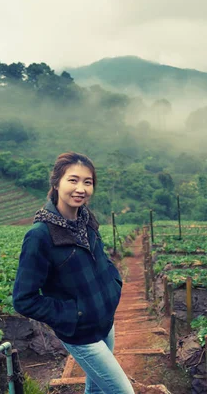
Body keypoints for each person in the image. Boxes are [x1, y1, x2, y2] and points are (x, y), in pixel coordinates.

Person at [13, 152, 134, 394]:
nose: (81, 189)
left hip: (105, 321)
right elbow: (23, 299)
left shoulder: (87, 219)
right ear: (56, 183)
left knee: (97, 387)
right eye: (73, 180)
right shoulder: (40, 235)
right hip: (81, 332)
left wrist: (113, 283)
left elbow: (101, 257)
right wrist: (72, 314)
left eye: (87, 182)